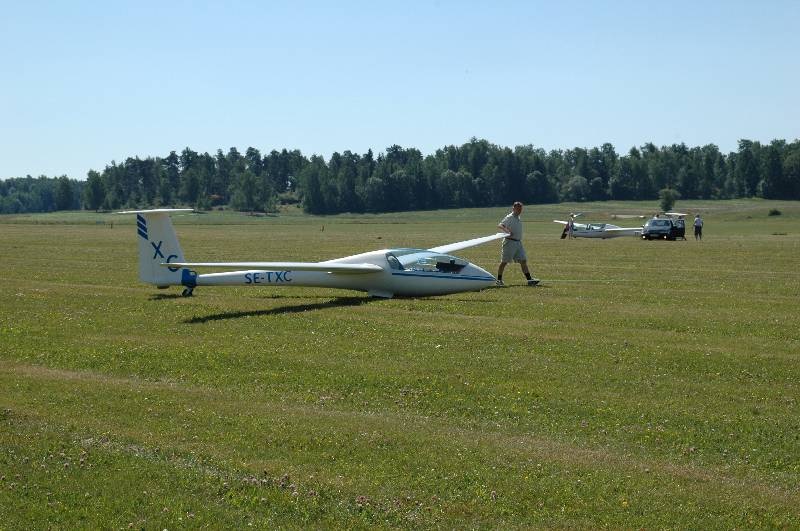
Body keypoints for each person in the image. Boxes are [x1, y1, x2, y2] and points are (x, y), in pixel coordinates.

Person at [496, 201, 539, 286]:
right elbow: (500, 225)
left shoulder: (518, 217)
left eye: (520, 209)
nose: (519, 210)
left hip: (518, 243)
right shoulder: (510, 217)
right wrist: (507, 231)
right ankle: (499, 280)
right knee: (504, 262)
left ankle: (530, 280)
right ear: (513, 209)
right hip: (509, 243)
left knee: (523, 261)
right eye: (518, 209)